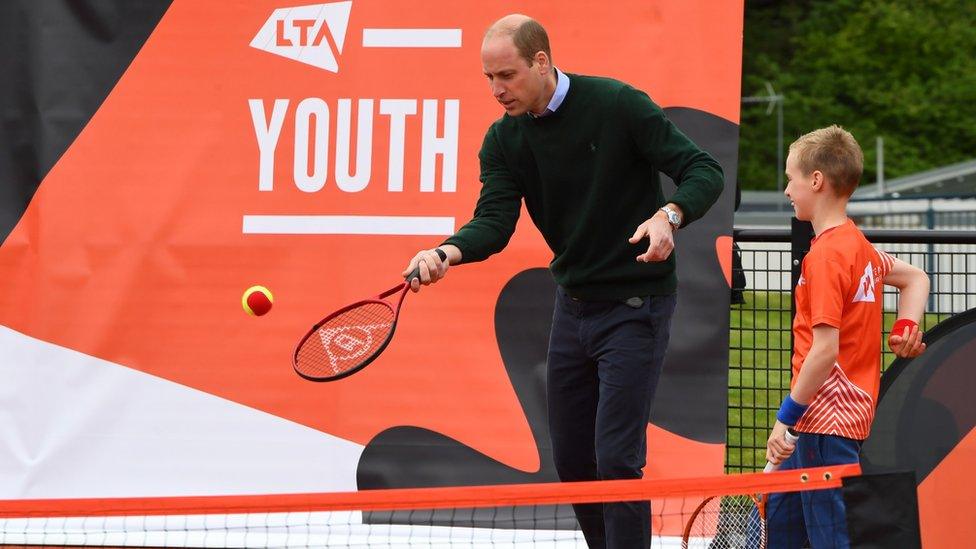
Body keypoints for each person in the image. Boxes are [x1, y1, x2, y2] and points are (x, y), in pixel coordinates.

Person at [401, 14, 724, 548]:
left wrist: (669, 217)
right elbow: (494, 223)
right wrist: (446, 251)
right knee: (575, 462)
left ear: (542, 62)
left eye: (506, 75)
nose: (496, 89)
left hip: (637, 305)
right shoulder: (504, 141)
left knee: (617, 459)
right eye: (488, 78)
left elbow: (703, 170)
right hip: (572, 310)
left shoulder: (618, 104)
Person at [764, 125, 930, 548]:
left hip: (822, 422)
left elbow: (824, 350)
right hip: (822, 422)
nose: (787, 190)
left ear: (816, 180)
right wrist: (906, 327)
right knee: (778, 524)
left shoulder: (826, 255)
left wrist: (785, 418)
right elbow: (915, 278)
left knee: (831, 538)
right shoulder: (860, 248)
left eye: (791, 178)